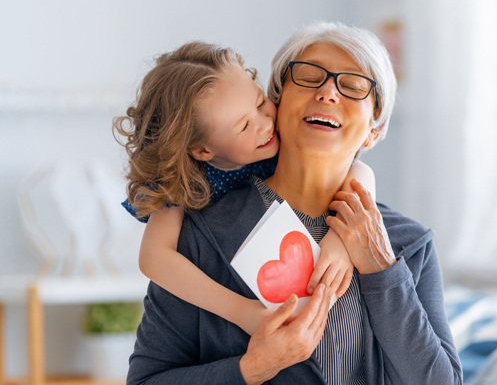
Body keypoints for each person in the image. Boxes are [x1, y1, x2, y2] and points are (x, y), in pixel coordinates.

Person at [128, 22, 463, 385]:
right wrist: (250, 369)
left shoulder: (408, 246)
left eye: (353, 86)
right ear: (277, 97)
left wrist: (380, 267)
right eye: (308, 76)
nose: (328, 93)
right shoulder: (199, 236)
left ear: (374, 129)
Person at [113, 41, 375, 336]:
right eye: (243, 126)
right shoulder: (180, 180)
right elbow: (153, 259)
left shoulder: (277, 142)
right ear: (202, 150)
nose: (265, 123)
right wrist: (240, 311)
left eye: (261, 102)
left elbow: (361, 171)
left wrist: (342, 240)